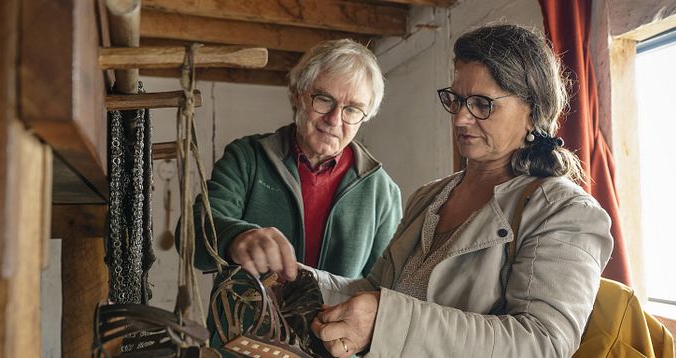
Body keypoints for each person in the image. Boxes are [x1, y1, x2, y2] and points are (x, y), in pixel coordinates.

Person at [233, 24, 614, 357]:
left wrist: (387, 322)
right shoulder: (431, 197)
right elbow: (373, 289)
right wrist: (301, 279)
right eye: (457, 100)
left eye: (482, 104)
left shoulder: (564, 213)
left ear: (532, 110)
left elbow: (542, 344)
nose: (461, 118)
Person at [190, 38, 402, 283]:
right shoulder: (247, 158)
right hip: (246, 322)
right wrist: (236, 237)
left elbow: (384, 286)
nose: (334, 120)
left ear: (365, 117)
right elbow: (192, 236)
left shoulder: (382, 192)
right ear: (298, 95)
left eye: (352, 109)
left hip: (332, 322)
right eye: (324, 99)